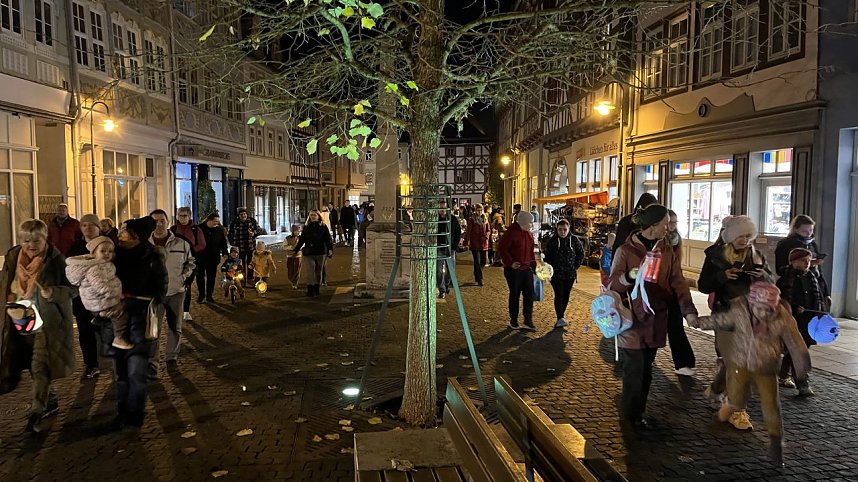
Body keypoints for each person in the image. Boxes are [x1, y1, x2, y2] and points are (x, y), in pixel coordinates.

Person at [688, 282, 810, 466]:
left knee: (771, 405)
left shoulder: (782, 316)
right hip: (740, 362)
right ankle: (721, 416)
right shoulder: (741, 311)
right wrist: (698, 322)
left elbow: (796, 343)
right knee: (736, 399)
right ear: (751, 304)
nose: (763, 313)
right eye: (758, 308)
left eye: (768, 308)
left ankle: (776, 444)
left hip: (766, 366)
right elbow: (721, 320)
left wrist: (801, 370)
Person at [608, 204, 698, 430]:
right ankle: (631, 418)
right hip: (632, 320)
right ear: (652, 225)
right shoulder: (626, 251)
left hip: (656, 320)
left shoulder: (666, 250)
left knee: (646, 371)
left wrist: (688, 310)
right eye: (665, 224)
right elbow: (612, 283)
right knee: (635, 371)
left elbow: (678, 281)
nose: (669, 228)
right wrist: (630, 276)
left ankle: (638, 411)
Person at [0, 219, 77, 433]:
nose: (31, 245)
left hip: (46, 324)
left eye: (36, 240)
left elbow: (72, 289)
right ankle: (50, 399)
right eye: (26, 241)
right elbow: (5, 282)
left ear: (45, 239)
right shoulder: (13, 257)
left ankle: (36, 411)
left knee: (39, 367)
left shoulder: (56, 260)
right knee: (20, 362)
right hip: (17, 318)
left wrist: (54, 293)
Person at [697, 215, 771, 431]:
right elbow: (703, 285)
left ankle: (716, 390)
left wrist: (762, 275)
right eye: (741, 236)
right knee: (737, 363)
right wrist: (722, 276)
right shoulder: (715, 256)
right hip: (726, 315)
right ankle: (737, 410)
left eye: (749, 236)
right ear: (730, 235)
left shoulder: (756, 255)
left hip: (751, 315)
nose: (745, 240)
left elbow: (771, 279)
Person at [111, 216, 167, 429]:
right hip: (117, 315)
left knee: (135, 368)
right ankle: (121, 411)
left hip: (141, 316)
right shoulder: (114, 254)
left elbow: (161, 286)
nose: (120, 232)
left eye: (125, 230)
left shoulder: (151, 255)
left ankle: (135, 414)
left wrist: (150, 303)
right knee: (120, 370)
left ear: (136, 235)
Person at [65, 236, 131, 350]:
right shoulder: (95, 268)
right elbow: (101, 286)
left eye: (110, 251)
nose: (107, 254)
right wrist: (116, 293)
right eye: (103, 251)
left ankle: (99, 317)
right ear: (94, 252)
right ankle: (119, 338)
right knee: (120, 313)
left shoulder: (101, 265)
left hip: (97, 300)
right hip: (100, 299)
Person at [149, 209, 195, 373]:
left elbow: (191, 262)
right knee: (153, 329)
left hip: (176, 291)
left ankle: (171, 357)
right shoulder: (146, 244)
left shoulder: (181, 243)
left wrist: (184, 278)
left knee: (175, 326)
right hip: (153, 295)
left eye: (162, 220)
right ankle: (152, 361)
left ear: (168, 222)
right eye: (155, 221)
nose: (159, 224)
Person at [776, 248, 824, 396]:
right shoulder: (785, 279)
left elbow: (818, 296)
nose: (807, 263)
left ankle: (783, 374)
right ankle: (802, 383)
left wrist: (819, 310)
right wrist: (795, 307)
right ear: (793, 261)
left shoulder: (811, 277)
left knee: (796, 350)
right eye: (803, 260)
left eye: (809, 261)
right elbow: (780, 300)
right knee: (798, 351)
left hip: (809, 320)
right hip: (792, 321)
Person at [66, 214, 105, 379]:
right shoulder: (75, 247)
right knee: (85, 332)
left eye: (92, 225)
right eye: (84, 225)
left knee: (106, 331)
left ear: (98, 227)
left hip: (104, 298)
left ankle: (111, 361)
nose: (88, 228)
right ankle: (91, 365)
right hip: (82, 300)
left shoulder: (107, 246)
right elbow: (70, 272)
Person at [774, 215, 830, 308]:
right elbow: (779, 269)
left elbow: (819, 272)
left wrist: (825, 293)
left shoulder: (812, 244)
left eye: (811, 230)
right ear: (795, 229)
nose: (808, 234)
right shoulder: (785, 244)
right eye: (804, 231)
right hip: (794, 288)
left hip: (813, 286)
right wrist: (800, 266)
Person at [666, 209, 696, 376]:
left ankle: (685, 362)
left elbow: (675, 273)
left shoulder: (673, 240)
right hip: (664, 289)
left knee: (675, 327)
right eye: (669, 222)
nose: (672, 226)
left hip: (672, 289)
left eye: (674, 222)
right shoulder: (664, 241)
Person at [497, 211, 537, 331]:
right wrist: (510, 262)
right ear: (524, 223)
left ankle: (528, 319)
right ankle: (513, 320)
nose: (532, 225)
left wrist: (533, 265)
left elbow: (531, 252)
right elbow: (503, 249)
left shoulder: (529, 235)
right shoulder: (511, 234)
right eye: (530, 222)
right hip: (514, 270)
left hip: (526, 269)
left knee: (529, 295)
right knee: (515, 295)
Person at [542, 219, 585, 329]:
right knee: (559, 294)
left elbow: (581, 253)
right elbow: (547, 256)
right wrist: (548, 269)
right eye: (560, 229)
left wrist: (575, 266)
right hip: (556, 274)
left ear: (568, 229)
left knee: (566, 295)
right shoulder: (552, 241)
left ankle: (562, 316)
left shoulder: (574, 240)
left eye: (564, 229)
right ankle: (560, 317)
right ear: (557, 229)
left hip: (570, 274)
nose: (562, 232)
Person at [171, 207, 206, 321]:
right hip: (175, 261)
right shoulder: (173, 229)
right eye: (180, 215)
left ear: (189, 216)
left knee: (187, 285)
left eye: (185, 215)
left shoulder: (196, 229)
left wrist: (190, 250)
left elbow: (201, 244)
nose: (182, 218)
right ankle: (175, 310)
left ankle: (186, 311)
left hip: (190, 260)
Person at [294, 210, 333, 297]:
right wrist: (296, 249)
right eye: (311, 215)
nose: (313, 217)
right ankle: (310, 289)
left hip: (320, 252)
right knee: (310, 271)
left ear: (318, 216)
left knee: (318, 271)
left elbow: (328, 239)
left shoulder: (323, 226)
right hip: (309, 252)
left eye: (314, 215)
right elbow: (302, 240)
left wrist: (330, 249)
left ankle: (317, 287)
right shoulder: (307, 227)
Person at [197, 213, 229, 303]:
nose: (217, 223)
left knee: (211, 277)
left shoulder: (219, 230)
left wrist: (225, 252)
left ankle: (209, 295)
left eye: (218, 221)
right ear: (209, 220)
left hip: (213, 257)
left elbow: (223, 243)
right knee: (200, 276)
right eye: (215, 221)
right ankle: (201, 295)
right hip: (201, 257)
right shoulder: (199, 229)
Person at [228, 207, 260, 286]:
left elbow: (259, 229)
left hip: (250, 246)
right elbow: (230, 233)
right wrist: (232, 243)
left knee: (250, 263)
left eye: (244, 214)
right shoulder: (234, 223)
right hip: (239, 247)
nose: (243, 215)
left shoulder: (252, 221)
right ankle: (242, 279)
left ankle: (250, 278)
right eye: (241, 214)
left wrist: (254, 233)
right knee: (240, 264)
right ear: (239, 215)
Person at [437, 201, 461, 299]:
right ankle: (441, 289)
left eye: (444, 208)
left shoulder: (453, 219)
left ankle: (446, 283)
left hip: (450, 249)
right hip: (439, 248)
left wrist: (454, 246)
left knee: (451, 270)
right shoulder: (436, 220)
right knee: (438, 270)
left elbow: (458, 233)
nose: (442, 211)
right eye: (441, 208)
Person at [463, 204, 490, 286]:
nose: (480, 212)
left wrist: (487, 236)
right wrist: (466, 242)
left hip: (483, 243)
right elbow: (468, 231)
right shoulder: (472, 220)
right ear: (475, 211)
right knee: (477, 261)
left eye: (481, 210)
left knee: (483, 261)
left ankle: (477, 272)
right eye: (478, 210)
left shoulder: (485, 219)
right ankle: (480, 279)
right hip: (475, 243)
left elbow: (488, 230)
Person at [284, 225, 303, 289]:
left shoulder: (301, 238)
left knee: (297, 270)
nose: (298, 232)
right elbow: (284, 246)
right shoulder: (288, 238)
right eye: (297, 231)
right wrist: (291, 247)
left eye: (299, 231)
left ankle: (295, 282)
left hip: (298, 256)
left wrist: (299, 247)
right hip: (290, 256)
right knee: (290, 269)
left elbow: (303, 245)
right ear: (293, 231)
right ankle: (291, 280)